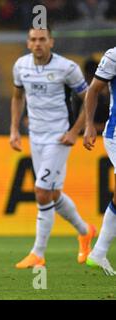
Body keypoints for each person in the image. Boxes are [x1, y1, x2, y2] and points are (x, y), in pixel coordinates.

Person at [10, 27, 96, 269]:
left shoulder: (67, 68)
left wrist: (75, 130)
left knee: (41, 191)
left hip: (59, 138)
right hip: (35, 136)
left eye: (42, 39)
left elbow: (87, 98)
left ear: (51, 42)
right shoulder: (21, 66)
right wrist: (15, 130)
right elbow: (17, 97)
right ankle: (85, 230)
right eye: (33, 40)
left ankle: (38, 253)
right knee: (53, 193)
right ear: (28, 43)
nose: (38, 44)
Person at [83, 46, 116, 276]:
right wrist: (88, 125)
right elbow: (94, 90)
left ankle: (98, 252)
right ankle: (99, 251)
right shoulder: (113, 55)